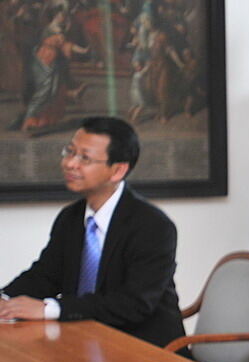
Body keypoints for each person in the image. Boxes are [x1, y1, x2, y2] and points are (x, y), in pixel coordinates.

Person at [0, 116, 184, 349]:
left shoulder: (153, 226)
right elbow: (44, 276)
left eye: (84, 158)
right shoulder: (71, 218)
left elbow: (134, 303)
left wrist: (50, 308)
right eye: (70, 152)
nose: (70, 163)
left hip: (146, 350)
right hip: (83, 342)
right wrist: (5, 299)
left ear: (117, 171)